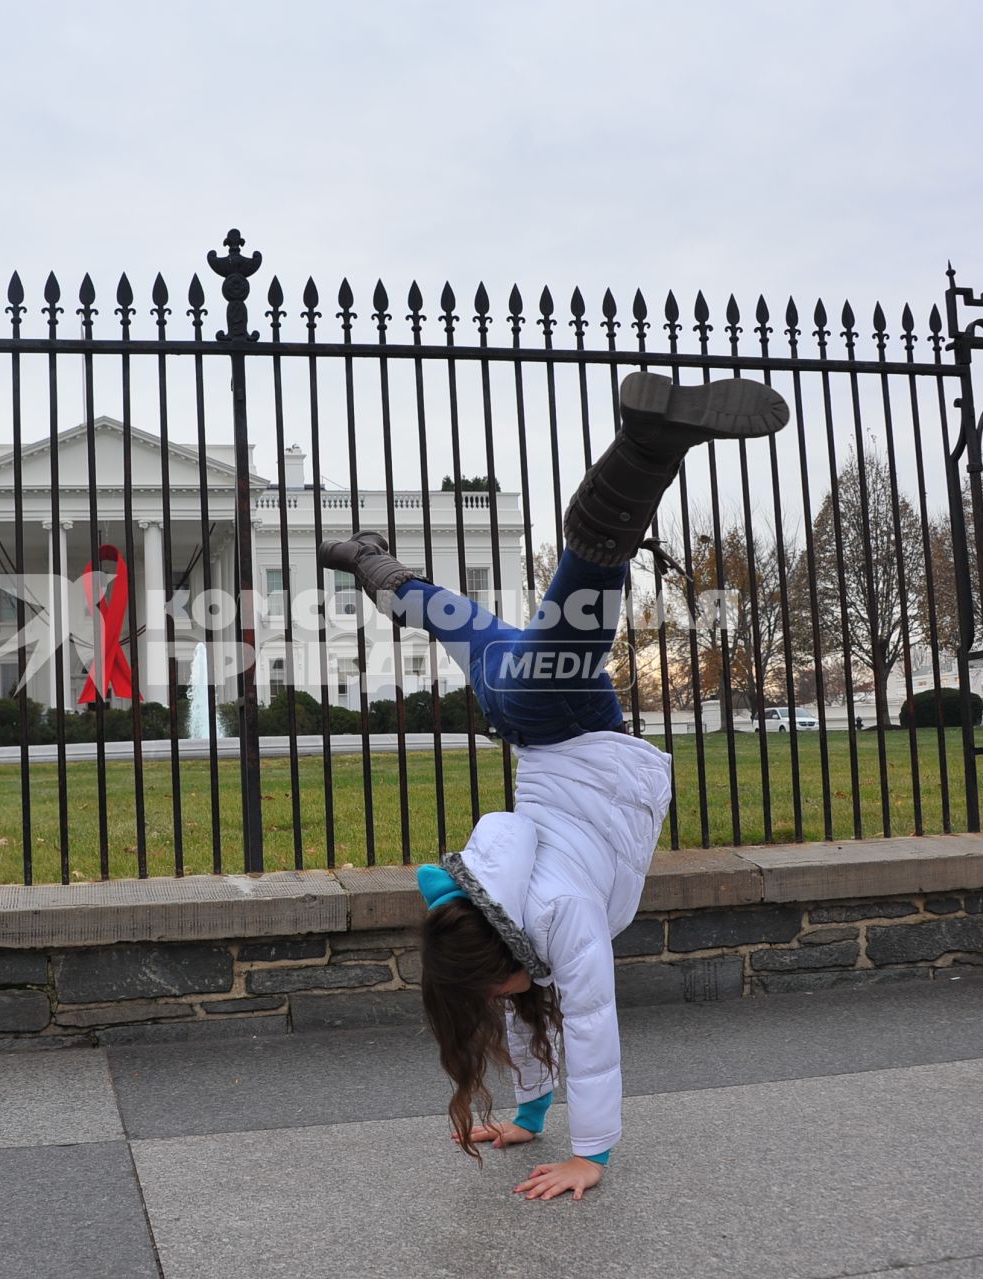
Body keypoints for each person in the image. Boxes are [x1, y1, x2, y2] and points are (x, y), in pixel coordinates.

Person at [319, 370, 789, 1201]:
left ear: (506, 950)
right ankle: (375, 564)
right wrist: (532, 1119)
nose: (500, 1005)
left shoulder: (558, 914)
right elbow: (529, 1010)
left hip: (549, 720)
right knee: (463, 621)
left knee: (579, 600)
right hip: (541, 718)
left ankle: (646, 450)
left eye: (490, 990)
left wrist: (592, 1153)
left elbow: (596, 1026)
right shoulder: (501, 910)